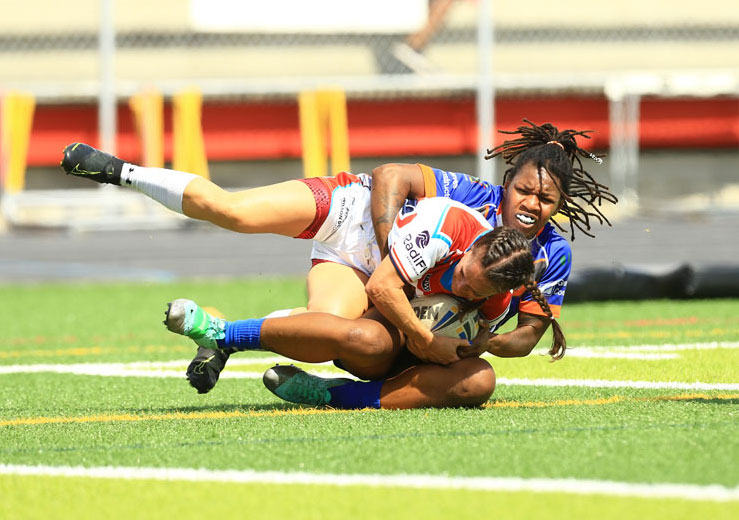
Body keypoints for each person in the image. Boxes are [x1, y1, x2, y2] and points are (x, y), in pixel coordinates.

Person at [60, 118, 614, 391]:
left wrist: (474, 342)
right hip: (354, 218)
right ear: (507, 181)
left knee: (330, 334)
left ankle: (227, 336)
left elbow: (526, 337)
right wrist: (382, 243)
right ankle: (119, 170)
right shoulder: (472, 197)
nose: (531, 204)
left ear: (559, 204)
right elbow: (388, 175)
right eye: (524, 190)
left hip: (383, 274)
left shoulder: (551, 254)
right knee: (234, 212)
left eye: (546, 199)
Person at [164, 197, 558, 409]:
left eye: (477, 292)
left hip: (410, 351)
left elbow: (495, 337)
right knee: (366, 338)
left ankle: (333, 396)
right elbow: (383, 289)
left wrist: (478, 345)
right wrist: (423, 336)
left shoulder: (498, 293)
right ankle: (222, 333)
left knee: (480, 380)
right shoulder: (449, 225)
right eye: (465, 276)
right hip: (359, 271)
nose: (465, 289)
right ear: (475, 247)